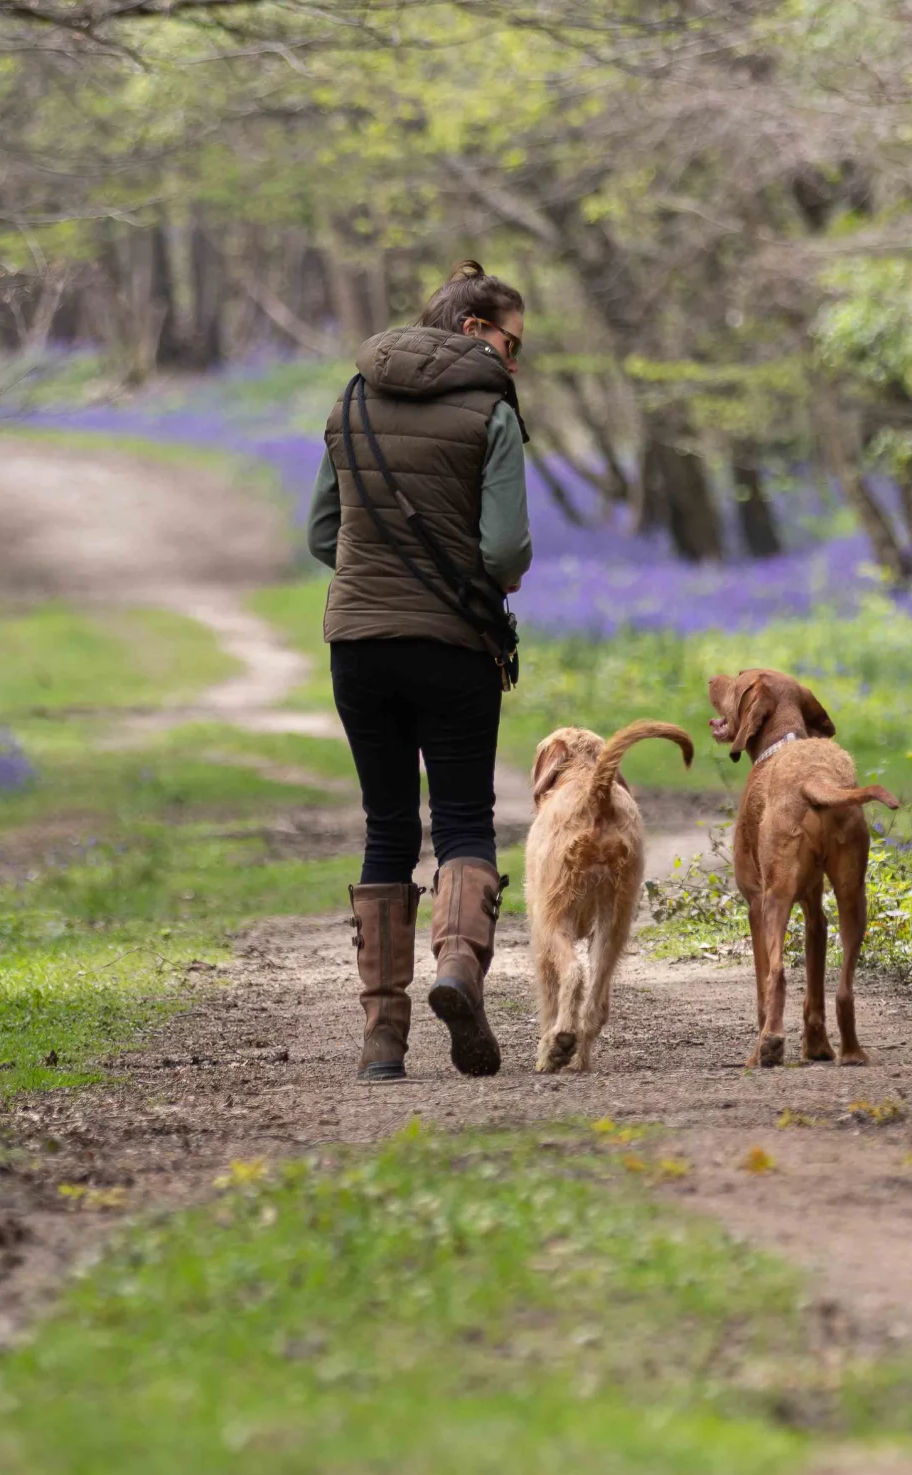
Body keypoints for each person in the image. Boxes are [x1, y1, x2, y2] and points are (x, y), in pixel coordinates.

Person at [306, 260, 532, 1082]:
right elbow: (505, 552)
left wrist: (379, 575)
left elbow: (322, 536)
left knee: (388, 825)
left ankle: (382, 1040)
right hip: (452, 646)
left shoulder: (352, 401)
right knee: (465, 818)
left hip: (358, 647)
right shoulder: (490, 414)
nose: (516, 362)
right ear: (475, 331)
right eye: (513, 343)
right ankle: (458, 972)